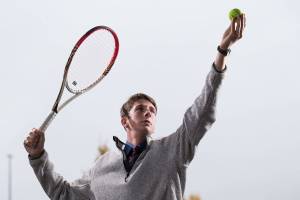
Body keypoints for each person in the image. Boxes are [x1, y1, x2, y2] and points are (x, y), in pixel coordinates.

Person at [24, 14, 246, 200]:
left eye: (152, 110)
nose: (148, 112)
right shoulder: (102, 166)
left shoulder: (173, 150)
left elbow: (203, 110)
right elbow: (64, 194)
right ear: (125, 120)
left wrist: (222, 51)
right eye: (141, 109)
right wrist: (37, 156)